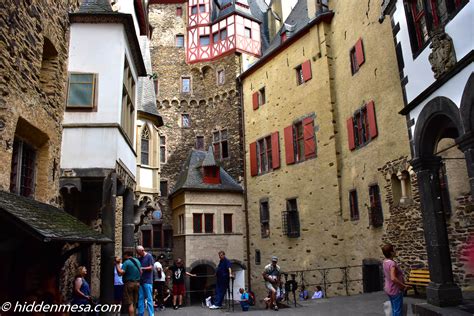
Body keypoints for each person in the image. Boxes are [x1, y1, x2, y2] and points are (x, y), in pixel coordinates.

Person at [382, 244, 409, 316]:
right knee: (397, 311)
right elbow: (393, 278)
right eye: (394, 250)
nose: (395, 251)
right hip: (395, 289)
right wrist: (403, 286)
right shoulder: (392, 264)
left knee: (394, 309)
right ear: (391, 252)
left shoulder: (385, 262)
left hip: (388, 288)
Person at [116, 251, 142, 316]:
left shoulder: (126, 262)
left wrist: (117, 264)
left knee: (130, 303)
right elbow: (141, 271)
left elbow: (120, 273)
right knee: (134, 302)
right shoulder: (137, 261)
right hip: (137, 283)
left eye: (124, 255)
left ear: (126, 255)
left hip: (129, 284)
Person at [136, 246, 154, 316]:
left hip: (148, 281)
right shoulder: (139, 258)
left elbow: (151, 267)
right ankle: (141, 313)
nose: (138, 254)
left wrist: (142, 268)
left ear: (142, 251)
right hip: (141, 280)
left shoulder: (149, 256)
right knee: (140, 298)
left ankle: (151, 314)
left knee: (149, 298)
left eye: (139, 252)